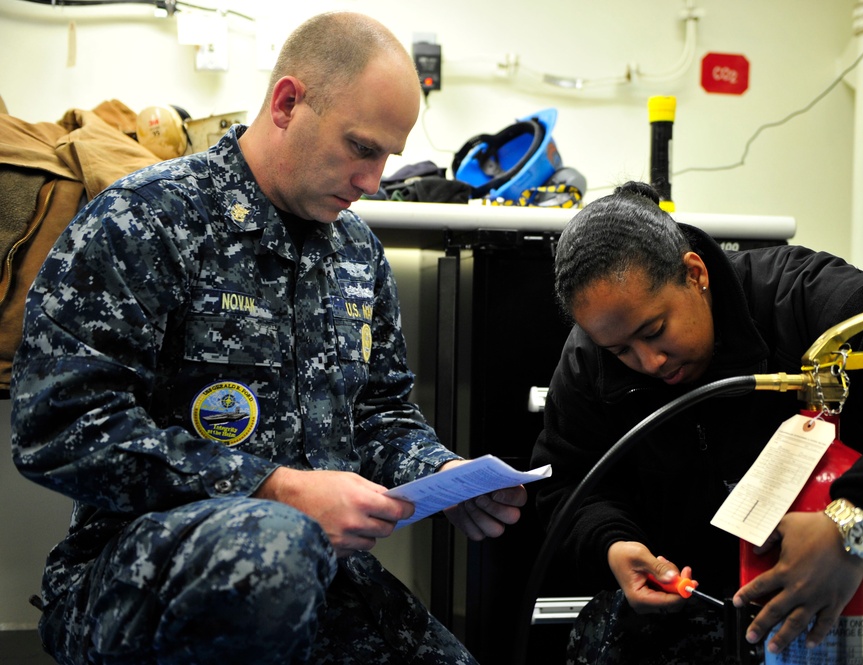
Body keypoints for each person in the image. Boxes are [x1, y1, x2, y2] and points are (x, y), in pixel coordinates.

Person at [10, 12, 526, 665]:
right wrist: (273, 487)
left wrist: (446, 475)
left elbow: (383, 417)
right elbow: (57, 430)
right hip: (137, 580)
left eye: (386, 158)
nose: (373, 182)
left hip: (318, 579)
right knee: (276, 542)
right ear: (287, 104)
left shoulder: (357, 254)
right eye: (361, 148)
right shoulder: (148, 217)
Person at [530, 181, 863, 664]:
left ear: (695, 274)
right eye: (621, 350)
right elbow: (566, 481)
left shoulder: (801, 292)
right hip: (704, 591)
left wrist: (855, 524)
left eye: (655, 331)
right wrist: (614, 542)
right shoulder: (590, 360)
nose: (648, 361)